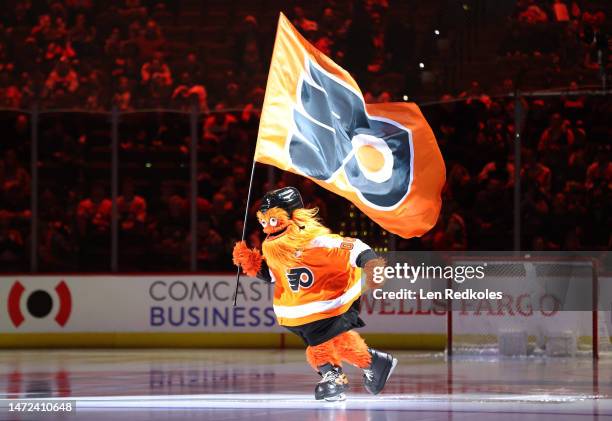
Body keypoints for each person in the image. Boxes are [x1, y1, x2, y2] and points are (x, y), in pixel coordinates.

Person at [232, 187, 396, 401]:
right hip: (299, 314)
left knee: (319, 345)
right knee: (335, 341)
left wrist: (371, 264)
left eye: (272, 221)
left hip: (331, 303)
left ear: (294, 217)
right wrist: (251, 263)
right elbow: (273, 275)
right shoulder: (274, 249)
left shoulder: (319, 242)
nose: (267, 229)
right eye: (264, 222)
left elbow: (355, 247)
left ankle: (333, 377)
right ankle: (375, 362)